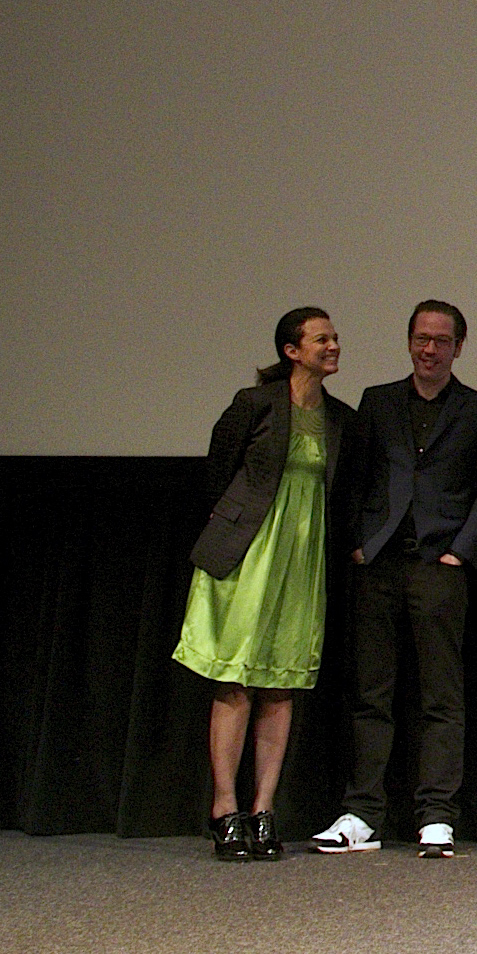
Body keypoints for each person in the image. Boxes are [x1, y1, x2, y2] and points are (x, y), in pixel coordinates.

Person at [312, 301, 477, 858]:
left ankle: (437, 816)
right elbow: (353, 478)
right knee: (371, 693)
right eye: (421, 339)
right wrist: (357, 544)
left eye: (441, 341)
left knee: (441, 697)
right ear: (409, 342)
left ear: (458, 348)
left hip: (440, 566)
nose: (429, 349)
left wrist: (460, 554)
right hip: (379, 564)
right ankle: (361, 813)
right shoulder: (377, 402)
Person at [174, 307, 363, 861]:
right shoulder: (254, 403)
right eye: (321, 338)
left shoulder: (339, 417)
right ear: (291, 350)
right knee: (235, 679)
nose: (333, 345)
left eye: (334, 337)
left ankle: (262, 810)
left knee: (281, 683)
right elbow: (219, 471)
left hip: (302, 561)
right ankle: (224, 808)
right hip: (248, 557)